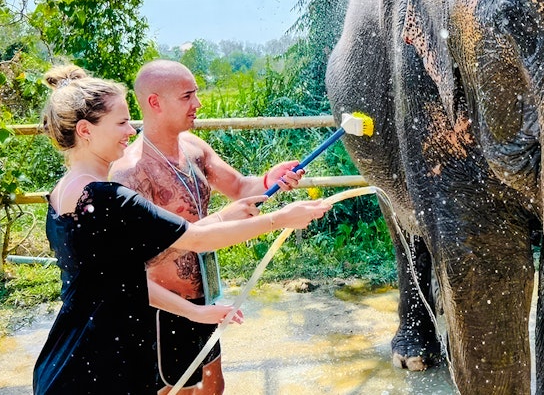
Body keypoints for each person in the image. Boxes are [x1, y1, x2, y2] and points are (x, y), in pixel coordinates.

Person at [32, 65, 331, 395]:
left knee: (210, 386)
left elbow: (122, 282)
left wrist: (195, 312)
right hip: (101, 368)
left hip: (72, 358)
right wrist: (280, 219)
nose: (130, 130)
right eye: (120, 123)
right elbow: (194, 239)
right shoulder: (110, 192)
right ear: (86, 131)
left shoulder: (62, 194)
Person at [109, 59, 305, 395]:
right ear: (155, 103)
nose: (197, 104)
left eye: (195, 95)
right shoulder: (129, 172)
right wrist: (228, 220)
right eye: (187, 97)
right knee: (177, 390)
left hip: (205, 297)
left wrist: (272, 179)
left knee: (214, 388)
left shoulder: (194, 148)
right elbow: (133, 259)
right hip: (164, 309)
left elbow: (242, 188)